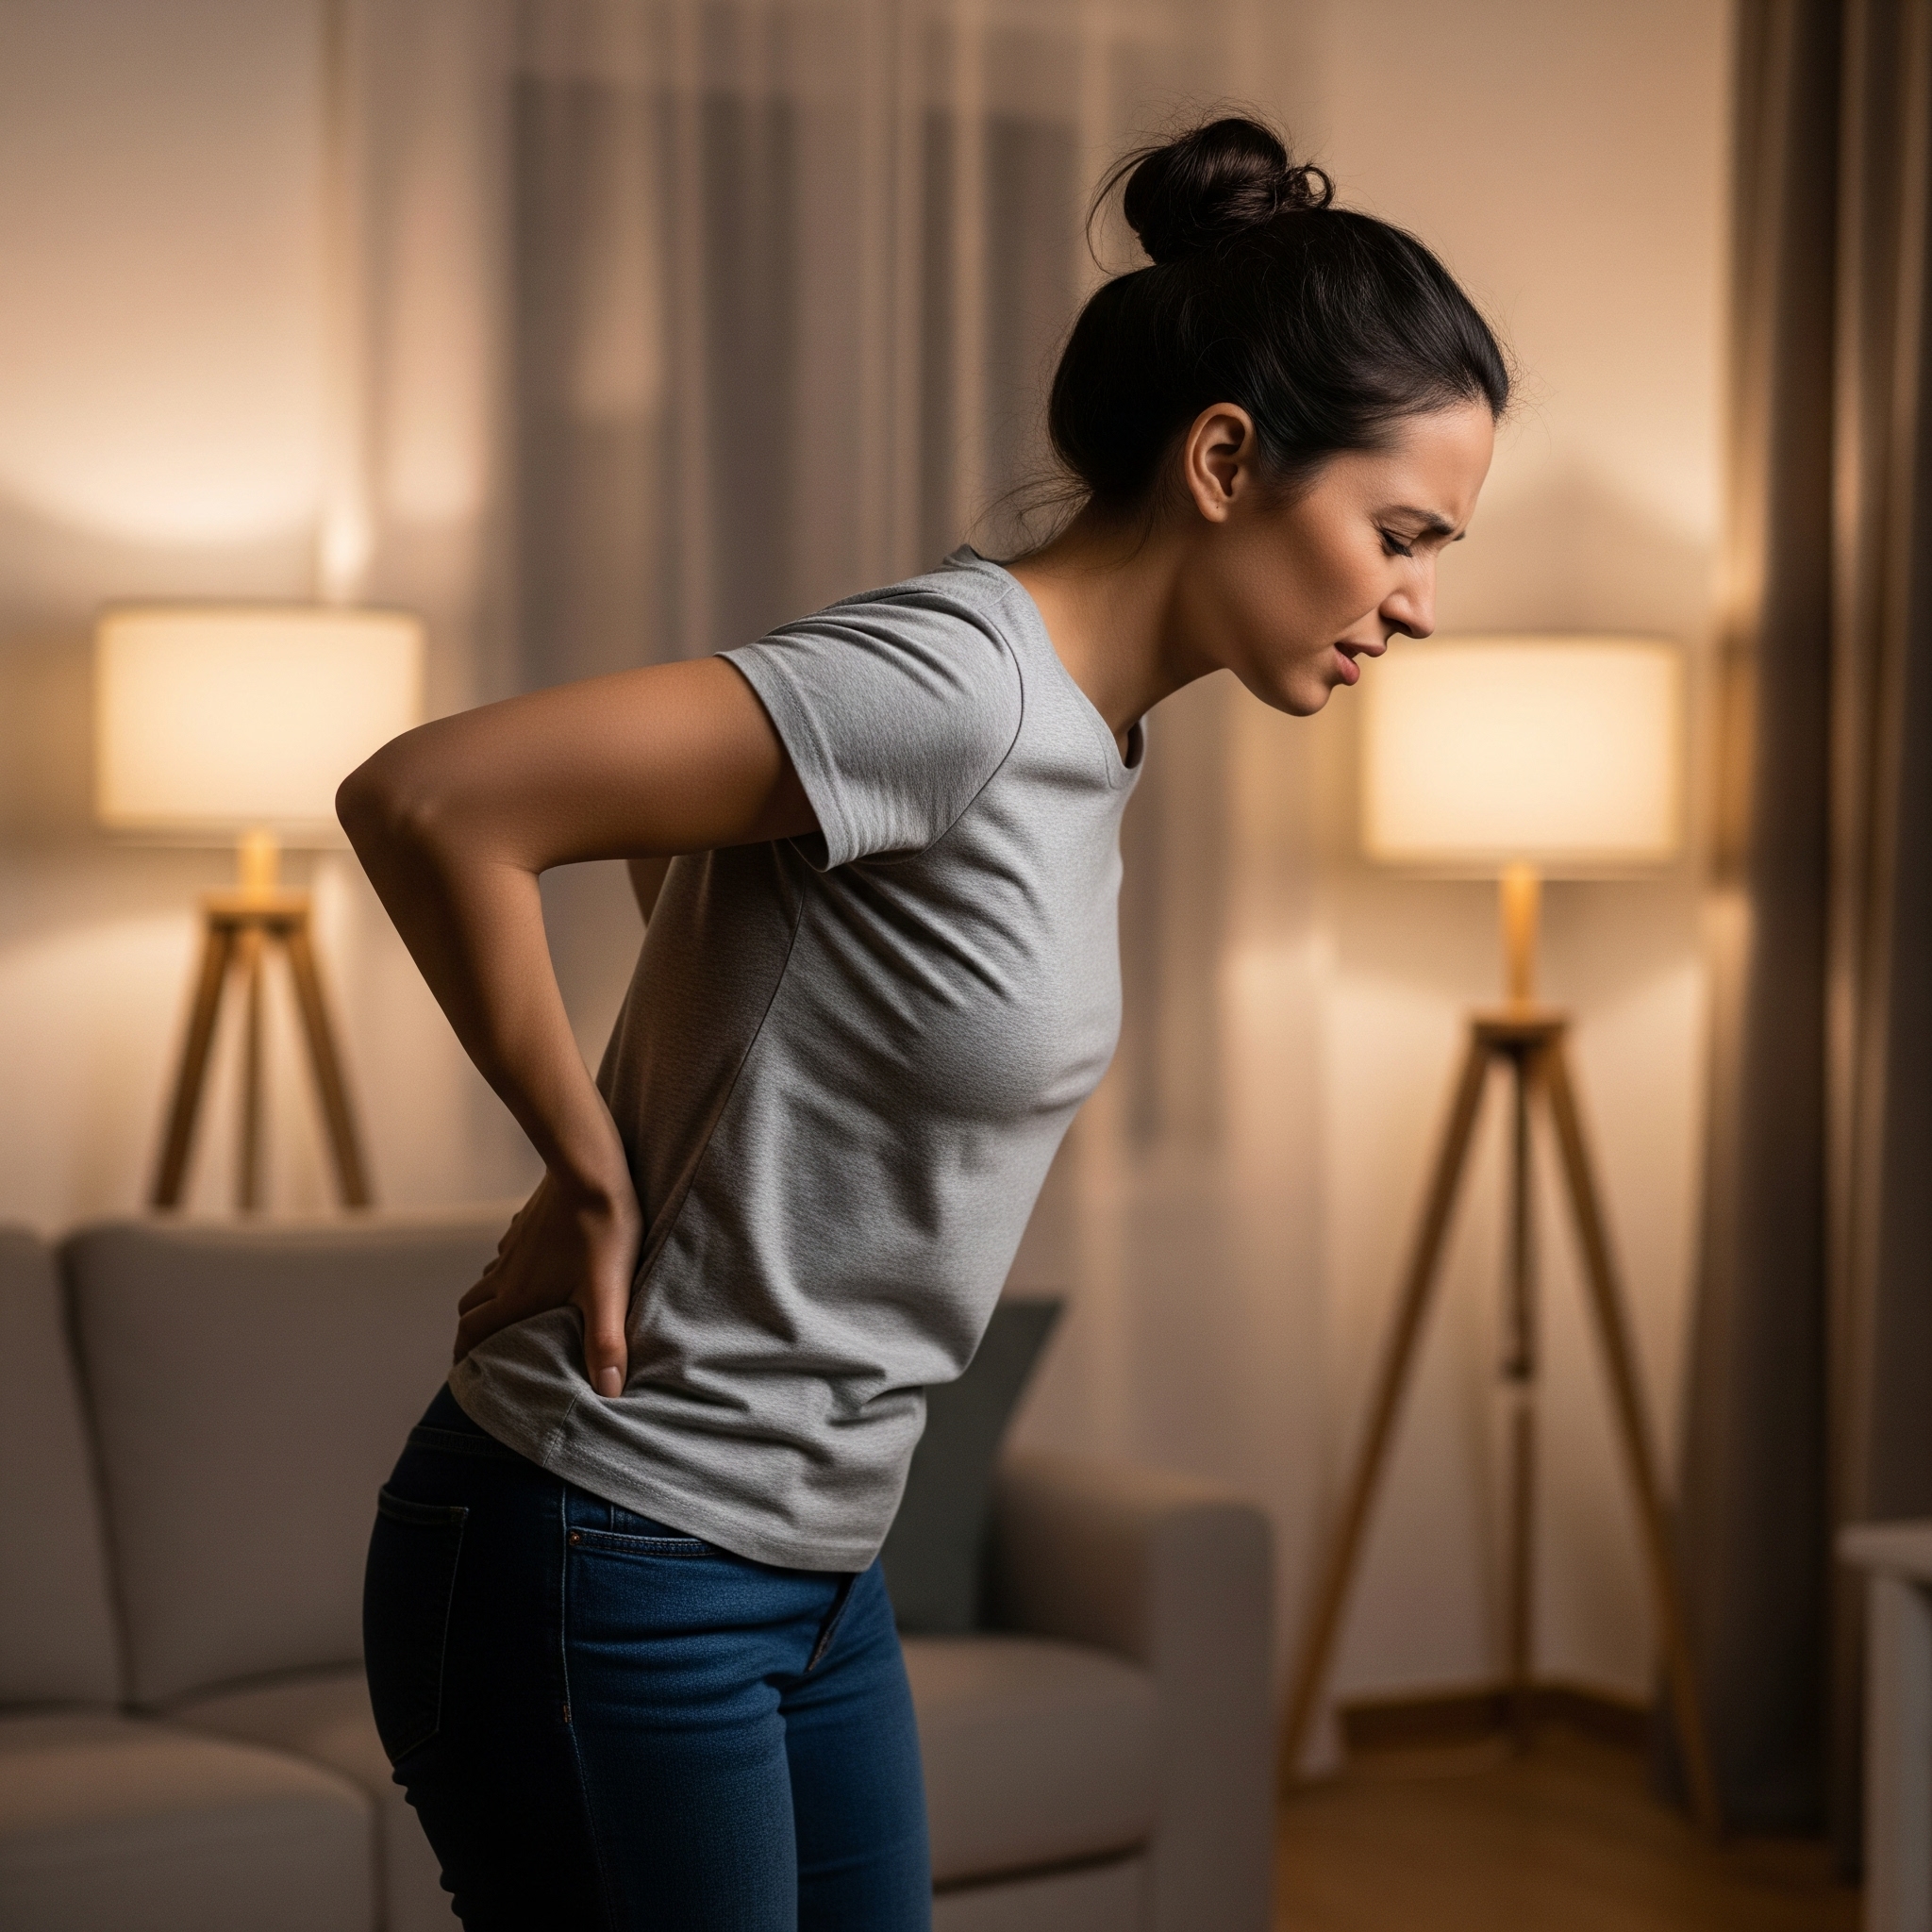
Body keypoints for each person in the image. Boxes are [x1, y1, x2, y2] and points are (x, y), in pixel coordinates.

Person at [343, 113, 1508, 1932]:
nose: (1422, 604)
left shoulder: (1082, 735)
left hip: (818, 1567)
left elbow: (690, 842)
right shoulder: (960, 682)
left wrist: (695, 1065)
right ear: (1225, 459)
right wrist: (590, 1167)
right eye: (1403, 534)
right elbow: (433, 799)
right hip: (612, 1539)